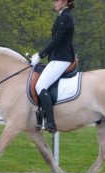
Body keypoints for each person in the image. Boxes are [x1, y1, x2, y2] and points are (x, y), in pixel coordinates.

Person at [30, 0, 75, 133]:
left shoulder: (65, 17)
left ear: (65, 2)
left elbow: (56, 41)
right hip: (58, 58)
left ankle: (50, 122)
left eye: (57, 0)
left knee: (40, 85)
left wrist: (40, 55)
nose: (54, 3)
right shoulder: (62, 16)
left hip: (62, 58)